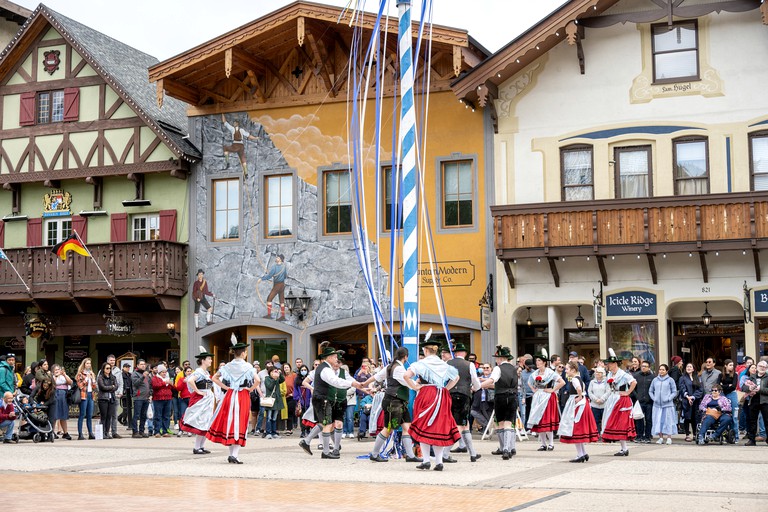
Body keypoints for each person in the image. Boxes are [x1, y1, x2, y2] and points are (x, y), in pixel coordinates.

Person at [401, 337, 461, 471]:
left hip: (426, 393)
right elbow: (456, 377)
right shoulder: (444, 364)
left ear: (426, 350)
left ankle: (426, 460)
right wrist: (446, 389)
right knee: (439, 427)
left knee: (423, 426)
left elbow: (406, 375)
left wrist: (414, 387)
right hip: (442, 395)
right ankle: (439, 462)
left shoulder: (421, 364)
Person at [298, 342, 363, 459]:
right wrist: (352, 384)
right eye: (334, 357)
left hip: (327, 399)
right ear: (329, 358)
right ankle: (326, 451)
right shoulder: (325, 369)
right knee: (327, 424)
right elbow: (335, 381)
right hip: (324, 399)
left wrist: (358, 385)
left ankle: (310, 443)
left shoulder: (326, 368)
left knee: (326, 423)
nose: (337, 359)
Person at [207, 335, 261, 463]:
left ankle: (232, 454)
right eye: (245, 352)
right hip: (242, 395)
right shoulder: (248, 366)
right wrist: (251, 389)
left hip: (230, 395)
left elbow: (214, 378)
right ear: (243, 353)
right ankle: (234, 455)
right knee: (240, 422)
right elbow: (257, 380)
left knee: (230, 422)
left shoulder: (228, 366)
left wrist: (226, 387)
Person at [363, 346, 421, 463]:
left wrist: (365, 383)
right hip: (394, 402)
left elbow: (377, 376)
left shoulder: (390, 367)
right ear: (405, 357)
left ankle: (410, 455)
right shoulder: (398, 368)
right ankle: (374, 454)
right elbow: (407, 382)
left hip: (398, 402)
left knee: (407, 427)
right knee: (388, 428)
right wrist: (420, 387)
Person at [445, 342, 482, 462]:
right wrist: (475, 388)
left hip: (450, 394)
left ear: (455, 353)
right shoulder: (469, 364)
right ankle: (445, 453)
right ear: (465, 353)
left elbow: (444, 379)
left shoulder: (448, 363)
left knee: (465, 425)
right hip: (464, 394)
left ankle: (473, 453)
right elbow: (475, 380)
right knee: (460, 425)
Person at [480, 345, 518, 459]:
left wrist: (479, 386)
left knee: (500, 423)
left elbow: (493, 379)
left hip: (501, 397)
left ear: (500, 358)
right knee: (509, 423)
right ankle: (508, 448)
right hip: (512, 396)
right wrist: (490, 386)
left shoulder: (498, 368)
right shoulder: (513, 369)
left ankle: (504, 448)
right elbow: (500, 384)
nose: (496, 360)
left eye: (497, 358)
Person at [557, 361, 598, 463]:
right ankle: (583, 453)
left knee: (575, 429)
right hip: (582, 403)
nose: (565, 371)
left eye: (567, 369)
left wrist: (579, 397)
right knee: (577, 429)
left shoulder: (575, 379)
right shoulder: (579, 378)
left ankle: (580, 454)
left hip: (577, 404)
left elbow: (579, 389)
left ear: (573, 370)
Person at [527, 349, 564, 452]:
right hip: (538, 397)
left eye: (539, 360)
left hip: (547, 397)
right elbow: (529, 382)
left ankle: (551, 443)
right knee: (539, 421)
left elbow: (562, 382)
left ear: (544, 362)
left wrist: (553, 390)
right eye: (536, 360)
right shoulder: (535, 373)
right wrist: (534, 390)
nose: (537, 362)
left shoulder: (550, 373)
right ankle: (543, 444)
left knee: (547, 420)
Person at [180, 346, 215, 454]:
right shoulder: (199, 372)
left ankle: (201, 446)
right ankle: (196, 447)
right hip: (201, 399)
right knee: (201, 421)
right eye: (209, 359)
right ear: (203, 360)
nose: (211, 360)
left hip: (207, 397)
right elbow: (190, 380)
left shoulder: (205, 372)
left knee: (206, 421)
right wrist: (198, 391)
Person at [602, 349, 637, 456]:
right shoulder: (609, 375)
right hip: (613, 398)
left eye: (609, 364)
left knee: (621, 424)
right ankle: (623, 448)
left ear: (614, 364)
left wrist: (628, 392)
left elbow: (634, 382)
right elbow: (608, 388)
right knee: (613, 423)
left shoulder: (623, 374)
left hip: (621, 400)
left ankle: (624, 448)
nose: (608, 365)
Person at [649, 363, 677, 445]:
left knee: (668, 421)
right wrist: (654, 398)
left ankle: (669, 438)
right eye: (660, 369)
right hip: (657, 405)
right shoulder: (655, 380)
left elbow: (674, 392)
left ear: (666, 371)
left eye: (663, 370)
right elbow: (650, 391)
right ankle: (660, 437)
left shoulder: (670, 380)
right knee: (658, 421)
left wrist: (668, 398)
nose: (661, 371)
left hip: (667, 405)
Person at [744, 360, 768, 446]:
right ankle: (751, 440)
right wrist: (749, 388)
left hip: (765, 401)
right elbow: (743, 387)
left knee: (767, 421)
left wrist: (760, 389)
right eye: (760, 366)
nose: (762, 368)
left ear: (766, 368)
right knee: (752, 421)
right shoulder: (752, 377)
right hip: (753, 401)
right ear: (757, 367)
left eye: (764, 367)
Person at [258, 255, 287, 321]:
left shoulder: (274, 267)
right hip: (282, 285)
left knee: (269, 299)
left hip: (277, 285)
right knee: (282, 301)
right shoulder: (284, 267)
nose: (276, 258)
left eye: (277, 257)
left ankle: (269, 315)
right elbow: (285, 276)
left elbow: (269, 276)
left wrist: (262, 279)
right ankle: (283, 316)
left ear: (280, 259)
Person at [632, 360, 655, 443]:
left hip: (649, 402)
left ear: (649, 368)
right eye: (642, 366)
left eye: (645, 366)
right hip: (639, 402)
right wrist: (637, 396)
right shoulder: (636, 376)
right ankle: (639, 436)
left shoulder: (653, 377)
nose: (643, 367)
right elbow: (632, 388)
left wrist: (652, 398)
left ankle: (648, 436)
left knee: (649, 419)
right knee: (639, 419)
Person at [679, 362, 702, 442]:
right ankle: (687, 434)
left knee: (695, 418)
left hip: (695, 401)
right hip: (686, 401)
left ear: (693, 369)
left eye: (690, 367)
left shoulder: (697, 378)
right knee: (687, 418)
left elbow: (700, 390)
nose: (688, 368)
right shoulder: (683, 378)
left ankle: (695, 434)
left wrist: (693, 397)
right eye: (687, 366)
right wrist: (688, 397)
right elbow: (682, 388)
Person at [49, 364, 72, 440]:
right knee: (55, 414)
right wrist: (55, 376)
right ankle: (52, 432)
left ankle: (65, 432)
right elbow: (52, 385)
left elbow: (70, 382)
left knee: (63, 414)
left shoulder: (63, 376)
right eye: (55, 370)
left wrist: (64, 375)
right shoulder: (52, 377)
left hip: (64, 395)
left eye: (58, 369)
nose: (57, 371)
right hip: (56, 394)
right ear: (53, 371)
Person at [131, 359, 152, 438]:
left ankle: (141, 431)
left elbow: (149, 386)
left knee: (143, 415)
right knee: (136, 415)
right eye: (141, 364)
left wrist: (150, 394)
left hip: (146, 398)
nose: (143, 365)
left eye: (144, 364)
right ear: (138, 365)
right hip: (138, 397)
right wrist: (143, 376)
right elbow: (136, 384)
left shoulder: (147, 374)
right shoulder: (134, 374)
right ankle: (135, 432)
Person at [75, 358, 96, 440]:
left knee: (90, 415)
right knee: (82, 414)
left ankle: (90, 433)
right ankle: (80, 434)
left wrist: (93, 379)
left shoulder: (91, 373)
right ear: (84, 364)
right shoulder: (80, 374)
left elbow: (94, 387)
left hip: (90, 394)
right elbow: (80, 385)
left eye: (90, 363)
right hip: (83, 395)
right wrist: (86, 379)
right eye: (87, 363)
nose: (89, 365)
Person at [97, 362, 118, 439]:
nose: (109, 370)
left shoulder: (113, 377)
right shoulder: (100, 377)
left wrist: (111, 387)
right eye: (107, 368)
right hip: (103, 398)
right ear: (103, 369)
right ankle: (102, 433)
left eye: (110, 368)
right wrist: (111, 387)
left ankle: (107, 432)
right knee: (103, 416)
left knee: (109, 416)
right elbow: (102, 387)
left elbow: (116, 386)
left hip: (111, 398)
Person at [151, 364, 173, 437]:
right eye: (163, 372)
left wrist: (171, 384)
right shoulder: (155, 378)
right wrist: (164, 383)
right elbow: (155, 386)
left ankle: (165, 431)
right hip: (158, 399)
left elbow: (171, 388)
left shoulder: (168, 378)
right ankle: (157, 431)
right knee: (158, 415)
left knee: (166, 416)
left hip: (168, 398)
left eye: (165, 372)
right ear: (159, 372)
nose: (164, 373)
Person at [263, 366, 285, 439]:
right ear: (270, 372)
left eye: (276, 371)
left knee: (274, 417)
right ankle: (268, 433)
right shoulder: (267, 379)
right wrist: (274, 379)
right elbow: (270, 387)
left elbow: (283, 379)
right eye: (273, 371)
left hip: (277, 400)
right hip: (270, 400)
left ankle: (274, 432)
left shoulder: (278, 378)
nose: (275, 373)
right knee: (269, 417)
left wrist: (280, 374)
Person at [721, 359, 740, 442]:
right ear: (725, 365)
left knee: (734, 416)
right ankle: (726, 436)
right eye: (730, 365)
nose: (732, 367)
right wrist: (727, 385)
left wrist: (724, 385)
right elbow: (719, 386)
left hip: (732, 395)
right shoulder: (721, 375)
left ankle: (736, 436)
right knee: (725, 416)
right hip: (723, 395)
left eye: (733, 365)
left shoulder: (735, 375)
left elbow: (733, 386)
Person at [293, 364, 312, 438]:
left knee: (309, 416)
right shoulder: (297, 379)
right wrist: (297, 398)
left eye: (305, 370)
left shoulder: (309, 379)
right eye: (302, 370)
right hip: (301, 401)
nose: (303, 371)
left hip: (308, 400)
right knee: (302, 417)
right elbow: (295, 390)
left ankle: (308, 430)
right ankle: (303, 431)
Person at [175, 367, 193, 436]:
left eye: (190, 371)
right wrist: (183, 382)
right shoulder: (182, 379)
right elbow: (178, 388)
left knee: (190, 414)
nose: (189, 372)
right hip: (183, 399)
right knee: (182, 414)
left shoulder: (193, 379)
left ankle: (189, 430)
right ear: (185, 372)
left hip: (192, 399)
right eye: (188, 371)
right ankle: (181, 429)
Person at [118, 362, 133, 431]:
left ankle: (121, 418)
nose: (128, 368)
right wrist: (122, 391)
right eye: (126, 367)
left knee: (129, 407)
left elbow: (131, 384)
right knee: (126, 407)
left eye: (129, 367)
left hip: (129, 392)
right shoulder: (121, 375)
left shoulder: (130, 375)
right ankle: (124, 420)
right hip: (124, 393)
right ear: (123, 368)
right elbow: (121, 383)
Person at [283, 363, 296, 435]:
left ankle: (289, 429)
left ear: (290, 368)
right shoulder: (282, 376)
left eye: (287, 367)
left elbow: (296, 386)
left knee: (289, 413)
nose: (286, 369)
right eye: (285, 367)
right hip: (284, 397)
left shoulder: (294, 375)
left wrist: (293, 393)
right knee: (284, 413)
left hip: (291, 397)